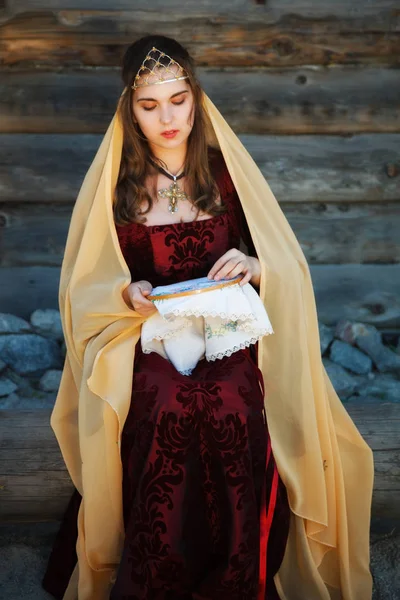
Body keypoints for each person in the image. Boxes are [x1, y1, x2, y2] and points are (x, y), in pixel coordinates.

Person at [42, 35, 374, 600]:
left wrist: (253, 262)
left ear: (195, 98)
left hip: (226, 336)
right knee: (166, 401)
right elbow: (83, 283)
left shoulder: (225, 178)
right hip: (152, 339)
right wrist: (128, 291)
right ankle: (158, 576)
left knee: (231, 402)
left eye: (178, 100)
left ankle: (234, 575)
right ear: (130, 109)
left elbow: (285, 262)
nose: (167, 117)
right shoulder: (115, 189)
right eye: (149, 106)